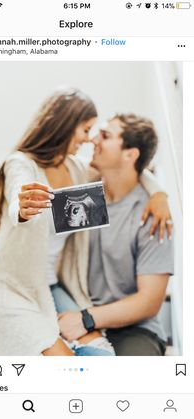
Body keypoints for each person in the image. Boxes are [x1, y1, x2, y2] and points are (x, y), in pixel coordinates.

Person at [0, 89, 172, 356]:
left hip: (49, 287)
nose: (90, 139)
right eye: (87, 129)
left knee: (101, 357)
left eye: (100, 133)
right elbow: (18, 197)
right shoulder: (22, 164)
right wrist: (23, 208)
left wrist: (159, 193)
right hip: (9, 287)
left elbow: (129, 173)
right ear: (66, 125)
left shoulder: (78, 172)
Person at [58, 114, 174, 356]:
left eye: (105, 136)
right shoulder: (88, 198)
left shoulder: (151, 213)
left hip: (133, 329)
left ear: (130, 154)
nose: (93, 140)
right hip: (74, 311)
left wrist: (87, 319)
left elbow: (150, 301)